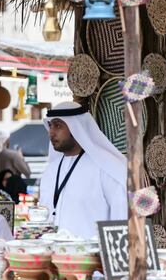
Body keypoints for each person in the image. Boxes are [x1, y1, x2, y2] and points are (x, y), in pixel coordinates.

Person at [39, 101, 127, 239]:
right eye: (50, 125)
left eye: (58, 125)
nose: (51, 132)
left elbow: (121, 219)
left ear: (76, 127)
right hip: (54, 257)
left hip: (94, 258)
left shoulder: (105, 168)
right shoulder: (51, 170)